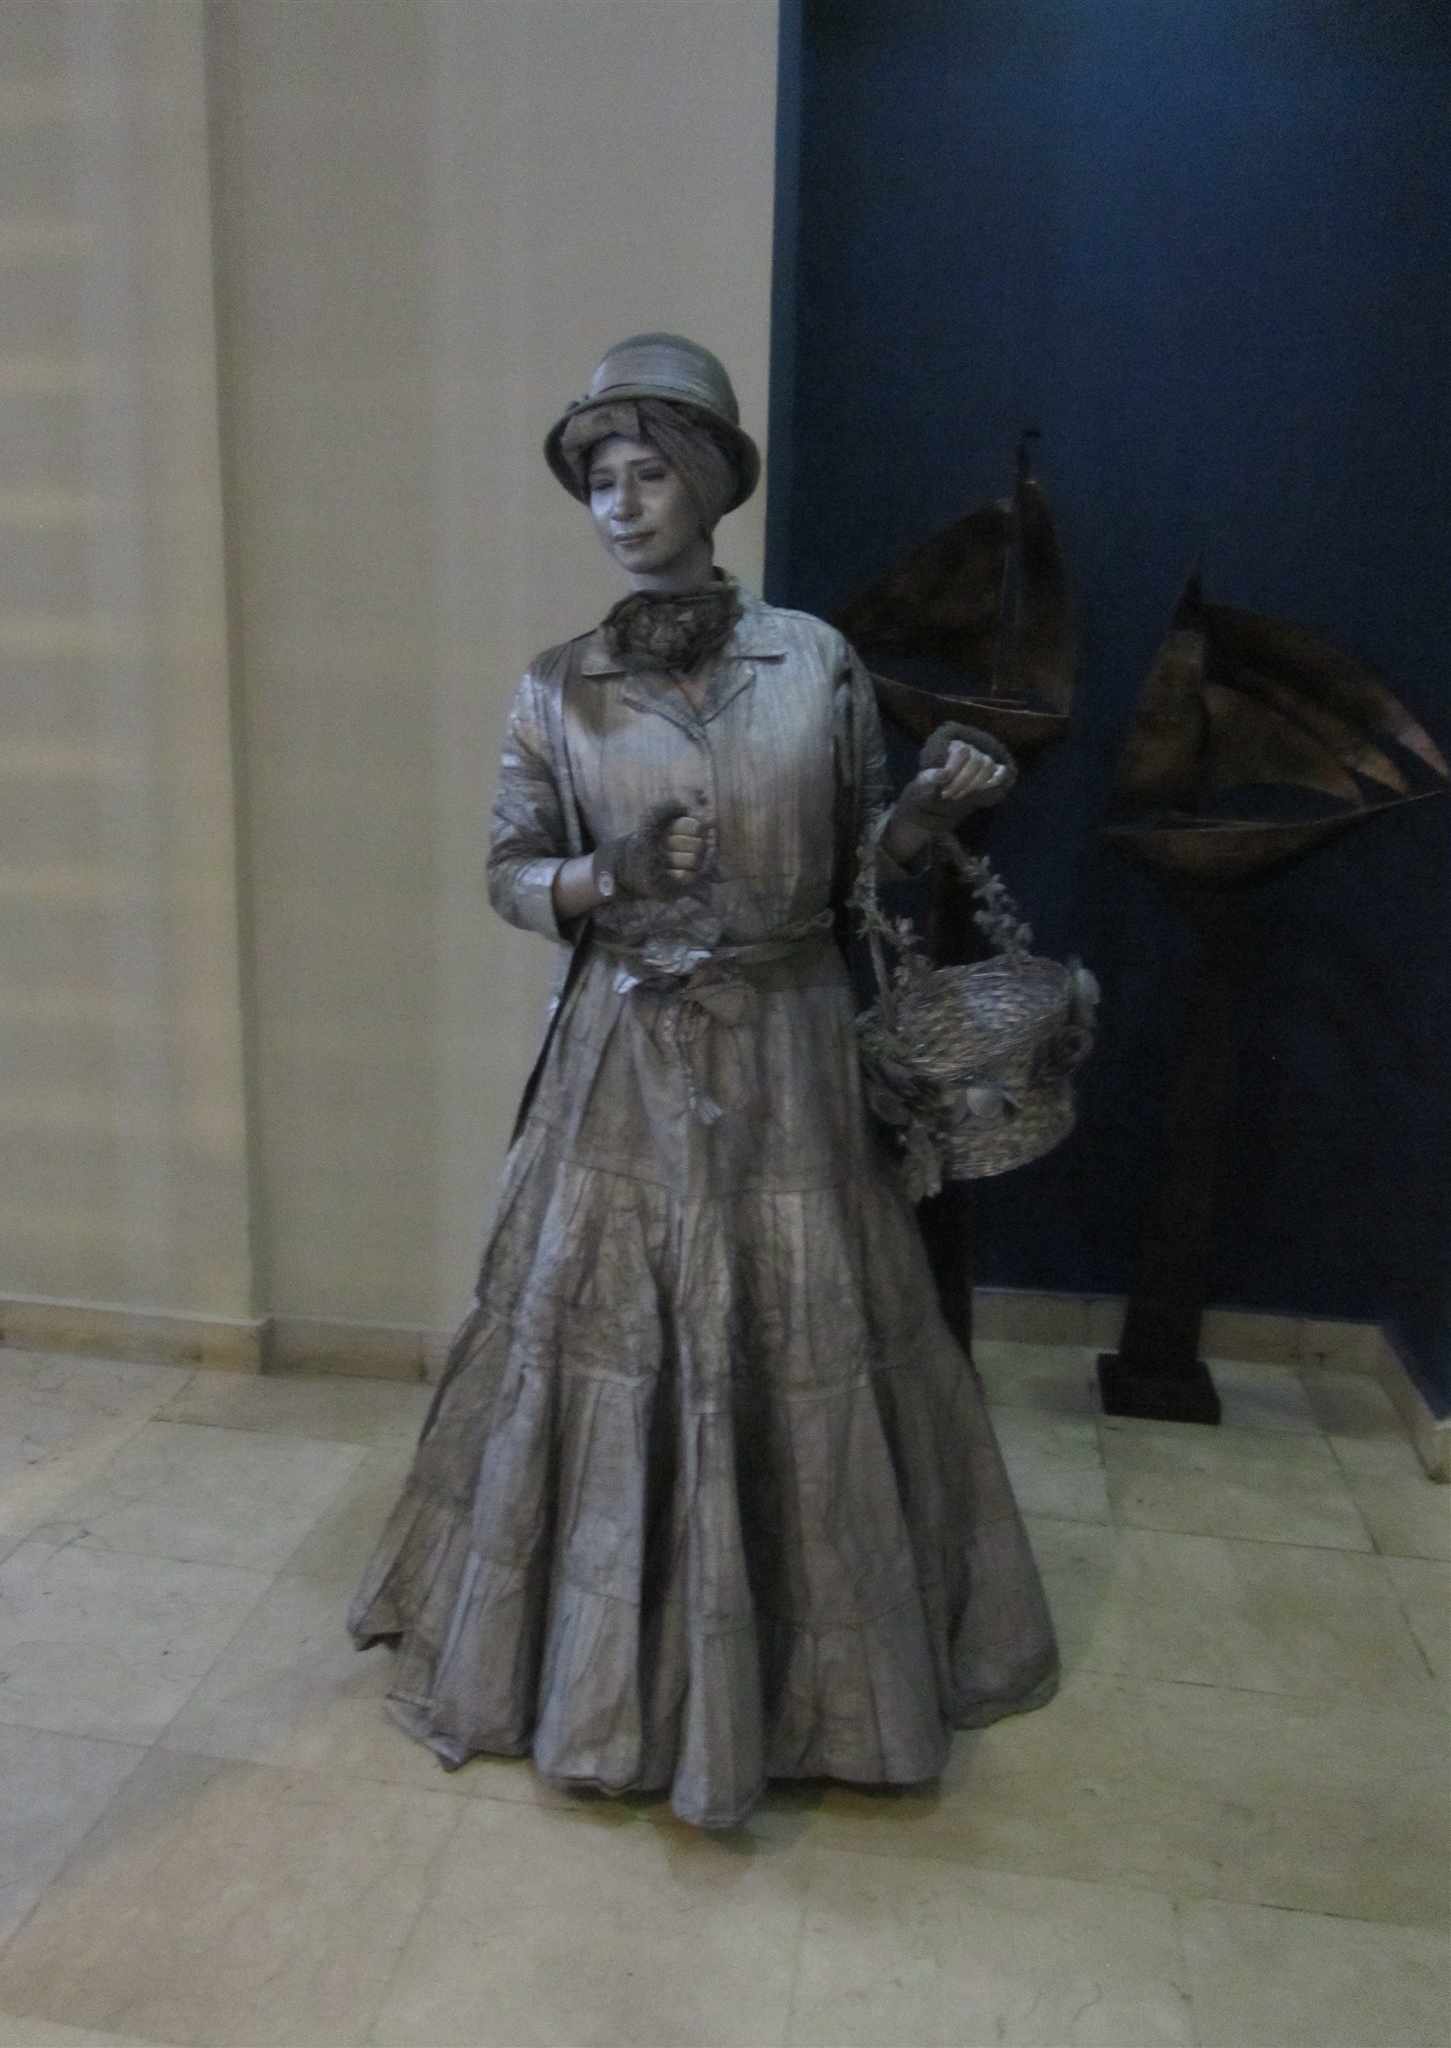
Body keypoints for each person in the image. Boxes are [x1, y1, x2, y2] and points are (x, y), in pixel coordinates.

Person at [349, 333, 1058, 1828]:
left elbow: (864, 865)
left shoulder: (815, 661)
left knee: (804, 1329)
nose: (621, 504)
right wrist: (602, 874)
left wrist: (929, 816)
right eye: (601, 480)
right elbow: (506, 872)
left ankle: (816, 1682)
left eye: (649, 473)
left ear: (712, 485)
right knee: (606, 1330)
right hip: (625, 1053)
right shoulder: (559, 687)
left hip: (791, 1045)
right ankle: (601, 1671)